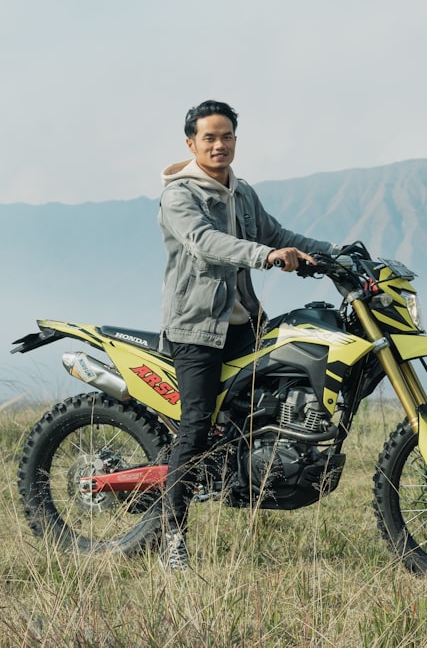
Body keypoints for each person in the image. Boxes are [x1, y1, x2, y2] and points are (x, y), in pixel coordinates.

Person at [156, 100, 338, 571]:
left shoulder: (242, 193)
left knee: (265, 408)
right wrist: (267, 256)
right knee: (195, 426)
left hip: (245, 324)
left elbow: (279, 234)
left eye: (228, 136)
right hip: (197, 329)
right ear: (191, 143)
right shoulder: (180, 196)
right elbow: (205, 243)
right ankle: (172, 537)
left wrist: (336, 254)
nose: (219, 145)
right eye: (210, 137)